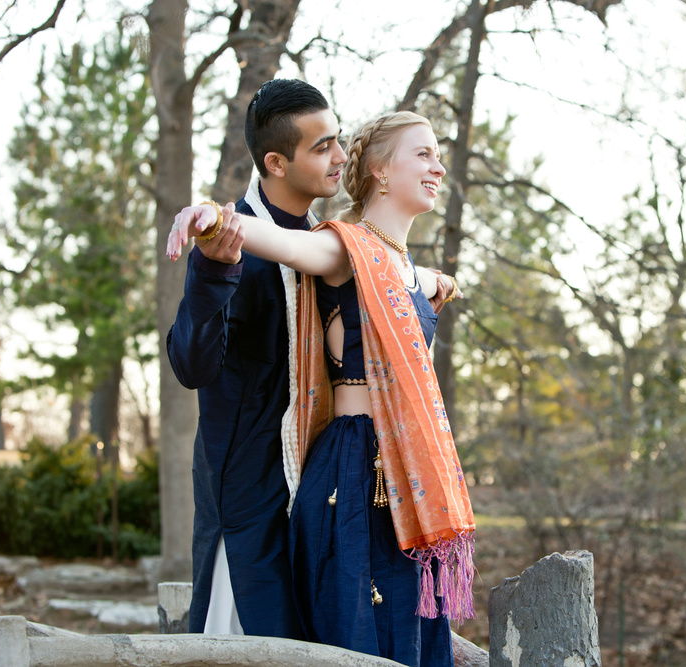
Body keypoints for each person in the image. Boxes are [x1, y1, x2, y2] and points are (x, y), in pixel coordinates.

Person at [168, 110, 473, 666]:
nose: (438, 166)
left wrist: (436, 284)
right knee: (354, 629)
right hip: (353, 469)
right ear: (380, 171)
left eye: (437, 154)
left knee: (409, 627)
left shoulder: (412, 274)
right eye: (423, 154)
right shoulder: (342, 249)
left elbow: (412, 297)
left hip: (405, 469)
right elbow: (281, 242)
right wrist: (213, 217)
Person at [166, 79, 346, 638]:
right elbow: (192, 366)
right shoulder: (225, 240)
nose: (340, 157)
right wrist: (213, 272)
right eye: (322, 147)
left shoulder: (329, 244)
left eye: (337, 141)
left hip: (320, 487)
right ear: (275, 161)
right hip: (246, 492)